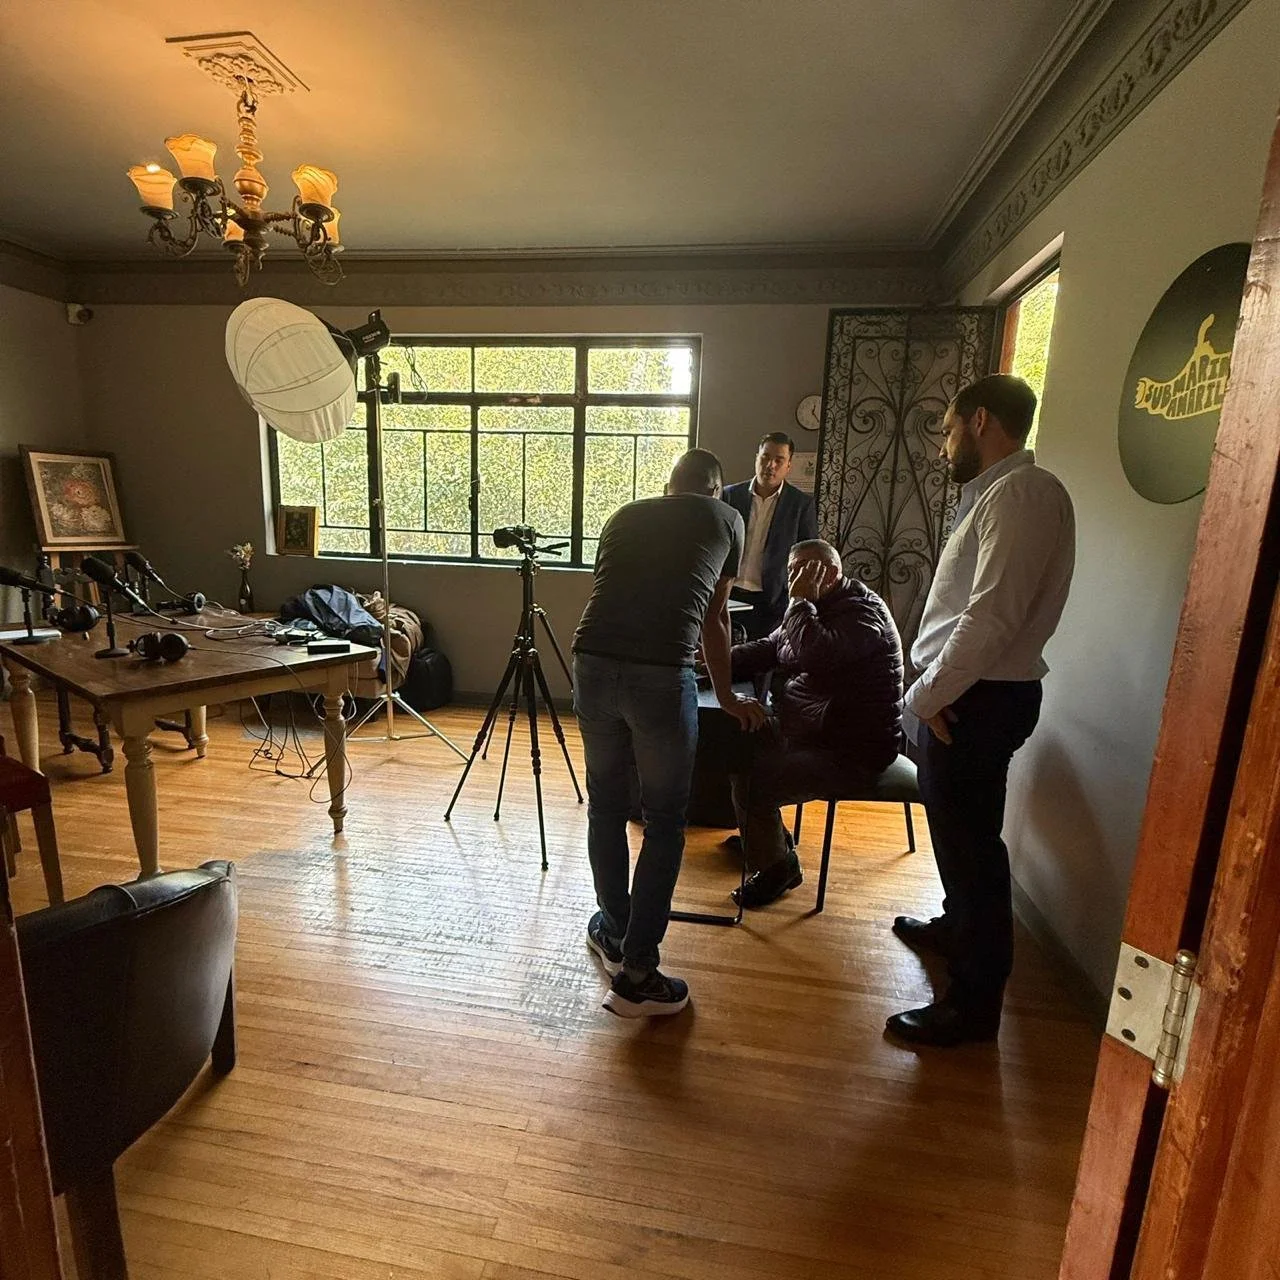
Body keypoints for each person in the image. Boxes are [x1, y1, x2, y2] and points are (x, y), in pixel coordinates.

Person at [888, 374, 1075, 1048]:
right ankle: (954, 927)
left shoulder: (1022, 494)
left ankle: (972, 1006)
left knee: (973, 853)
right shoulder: (1000, 494)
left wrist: (923, 697)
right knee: (959, 838)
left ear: (981, 421)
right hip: (966, 695)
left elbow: (990, 618)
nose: (943, 447)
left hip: (974, 699)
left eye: (947, 430)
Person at [573, 449, 766, 1018]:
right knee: (663, 820)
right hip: (660, 676)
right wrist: (728, 696)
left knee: (606, 807)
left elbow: (615, 591)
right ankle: (637, 975)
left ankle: (613, 931)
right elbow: (715, 615)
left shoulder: (624, 514)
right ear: (714, 489)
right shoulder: (728, 517)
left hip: (590, 663)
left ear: (667, 486)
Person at [724, 539, 903, 906]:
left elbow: (815, 653)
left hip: (851, 748)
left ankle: (778, 869)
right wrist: (714, 660)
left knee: (756, 783)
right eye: (793, 570)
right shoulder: (812, 607)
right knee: (736, 745)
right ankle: (768, 839)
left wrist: (800, 601)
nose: (796, 578)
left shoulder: (862, 612)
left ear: (833, 572)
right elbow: (772, 647)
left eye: (807, 569)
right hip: (809, 729)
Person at [722, 433, 819, 639]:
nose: (770, 465)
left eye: (778, 460)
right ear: (756, 458)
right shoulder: (730, 495)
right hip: (728, 594)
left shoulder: (800, 505)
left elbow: (807, 557)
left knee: (760, 664)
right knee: (722, 661)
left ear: (788, 466)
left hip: (771, 602)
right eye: (765, 457)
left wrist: (792, 597)